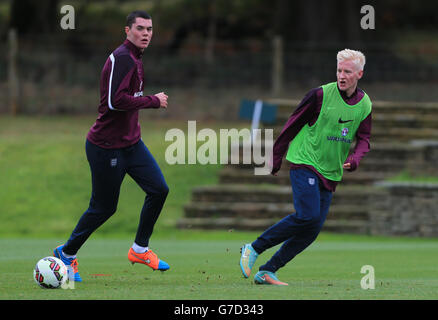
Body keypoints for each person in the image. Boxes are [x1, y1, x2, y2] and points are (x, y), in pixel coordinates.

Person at [54, 11, 170, 282]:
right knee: (104, 208)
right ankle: (66, 254)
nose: (146, 33)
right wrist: (153, 100)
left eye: (150, 29)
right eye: (140, 28)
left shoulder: (137, 59)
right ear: (127, 31)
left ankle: (140, 249)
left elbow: (127, 100)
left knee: (159, 189)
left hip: (132, 144)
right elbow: (115, 102)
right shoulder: (121, 58)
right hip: (106, 147)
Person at [239, 49, 372, 285]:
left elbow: (364, 139)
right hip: (305, 161)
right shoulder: (319, 95)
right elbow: (292, 124)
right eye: (339, 70)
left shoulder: (364, 104)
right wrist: (276, 156)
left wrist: (355, 159)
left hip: (331, 171)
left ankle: (268, 270)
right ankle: (253, 247)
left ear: (359, 74)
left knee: (312, 229)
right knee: (307, 215)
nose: (342, 75)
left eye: (347, 72)